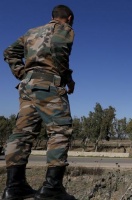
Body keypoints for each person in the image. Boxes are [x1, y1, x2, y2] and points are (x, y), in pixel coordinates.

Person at [2, 5, 76, 200]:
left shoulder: (31, 32)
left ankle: (14, 187)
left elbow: (9, 52)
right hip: (49, 85)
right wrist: (66, 78)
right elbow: (60, 53)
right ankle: (52, 188)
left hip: (27, 88)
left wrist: (22, 73)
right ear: (68, 18)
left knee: (22, 134)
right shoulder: (64, 29)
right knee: (60, 130)